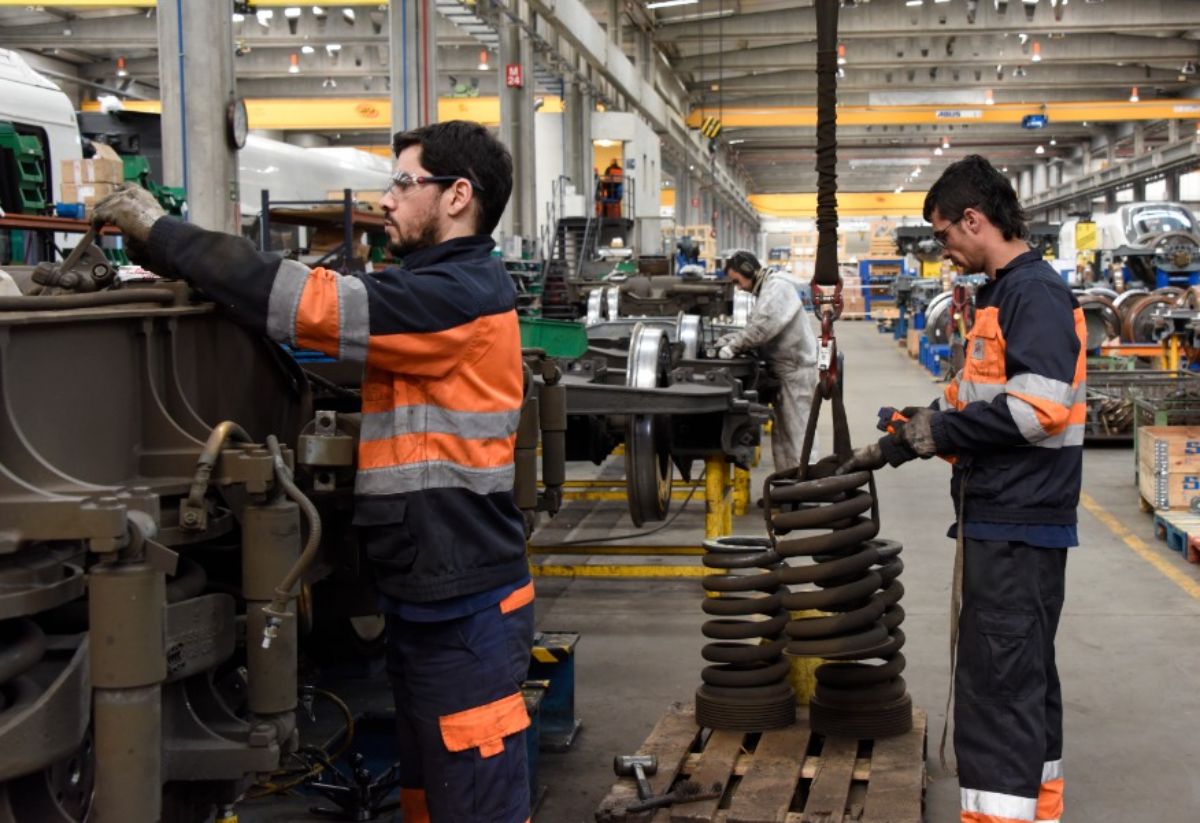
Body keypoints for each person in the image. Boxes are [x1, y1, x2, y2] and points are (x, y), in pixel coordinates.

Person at [91, 120, 534, 823]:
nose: (386, 199)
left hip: (467, 602)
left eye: (402, 183)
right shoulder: (430, 286)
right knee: (430, 791)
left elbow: (317, 304)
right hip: (430, 592)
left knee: (473, 795)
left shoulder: (460, 295)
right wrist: (181, 265)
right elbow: (315, 305)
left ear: (457, 197)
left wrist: (165, 232)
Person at [838, 155, 1087, 823]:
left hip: (1017, 523)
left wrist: (942, 427)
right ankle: (1040, 809)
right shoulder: (1002, 297)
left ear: (975, 219)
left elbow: (1037, 410)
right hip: (1004, 520)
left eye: (946, 233)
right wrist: (903, 436)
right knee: (1023, 677)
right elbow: (974, 403)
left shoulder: (1032, 295)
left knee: (998, 689)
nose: (944, 250)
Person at [716, 250, 819, 472]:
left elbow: (762, 328)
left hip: (797, 371)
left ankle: (809, 487)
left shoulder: (776, 287)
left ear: (748, 271)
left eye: (737, 281)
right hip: (785, 372)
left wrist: (732, 348)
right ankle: (787, 487)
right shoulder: (766, 291)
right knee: (783, 435)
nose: (739, 287)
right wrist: (732, 338)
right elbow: (755, 325)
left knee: (799, 433)